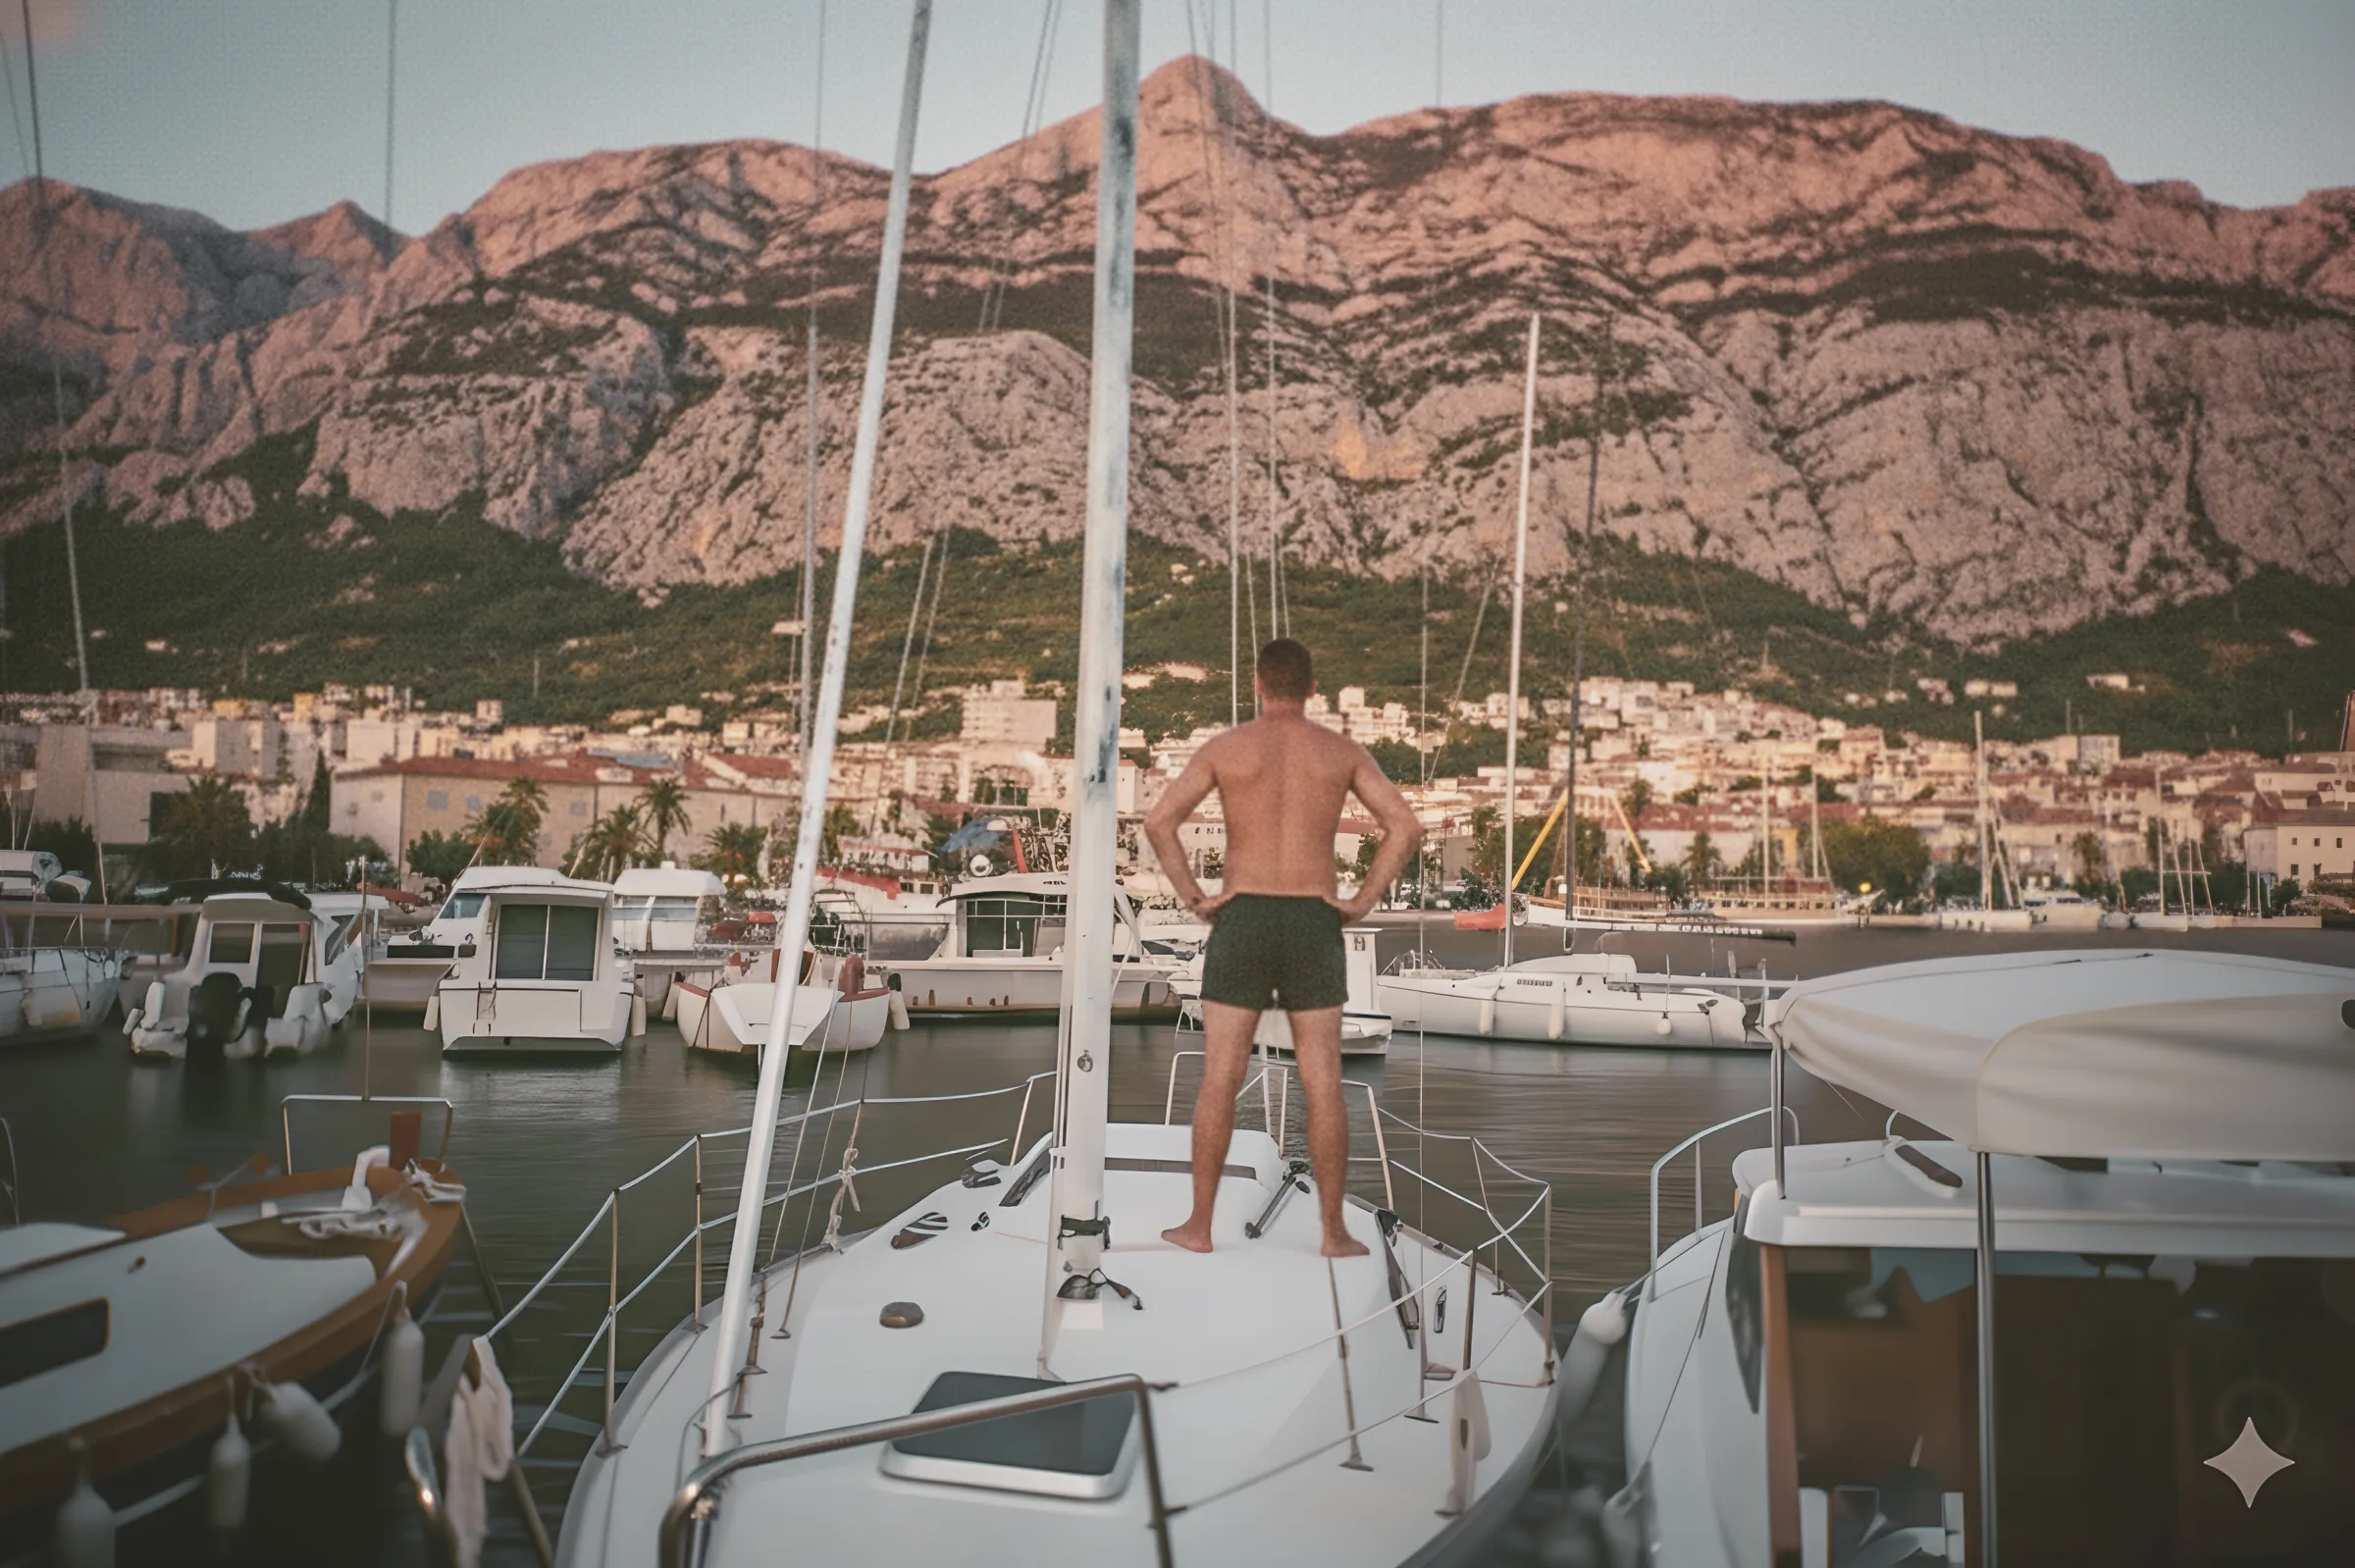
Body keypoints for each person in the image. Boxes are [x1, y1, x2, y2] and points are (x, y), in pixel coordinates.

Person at [1143, 638, 1423, 1257]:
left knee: (1220, 1078)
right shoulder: (1340, 752)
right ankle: (1333, 1233)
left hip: (1242, 917)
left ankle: (1198, 1228)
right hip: (1311, 920)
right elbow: (1405, 826)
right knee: (1323, 1082)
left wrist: (1195, 898)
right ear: (1312, 689)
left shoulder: (1227, 749)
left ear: (1259, 686)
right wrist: (1361, 900)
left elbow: (1159, 822)